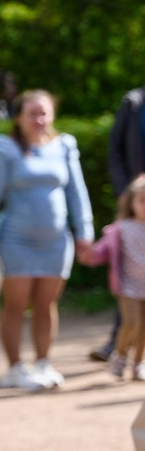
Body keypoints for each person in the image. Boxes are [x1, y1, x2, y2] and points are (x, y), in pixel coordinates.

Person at [0, 87, 95, 391]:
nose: (39, 119)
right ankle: (15, 368)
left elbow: (76, 192)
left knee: (47, 304)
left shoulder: (64, 146)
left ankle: (43, 363)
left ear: (52, 115)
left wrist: (85, 232)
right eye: (32, 113)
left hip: (57, 241)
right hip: (16, 240)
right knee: (15, 304)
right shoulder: (4, 148)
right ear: (18, 118)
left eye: (43, 112)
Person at [91, 85, 145, 361]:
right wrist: (125, 192)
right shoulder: (133, 102)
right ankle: (118, 342)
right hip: (136, 199)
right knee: (130, 268)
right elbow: (115, 149)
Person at [103, 176, 145, 380]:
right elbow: (104, 249)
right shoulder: (122, 228)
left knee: (144, 327)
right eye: (142, 201)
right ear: (132, 202)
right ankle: (120, 356)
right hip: (129, 286)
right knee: (132, 323)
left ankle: (138, 363)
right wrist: (90, 254)